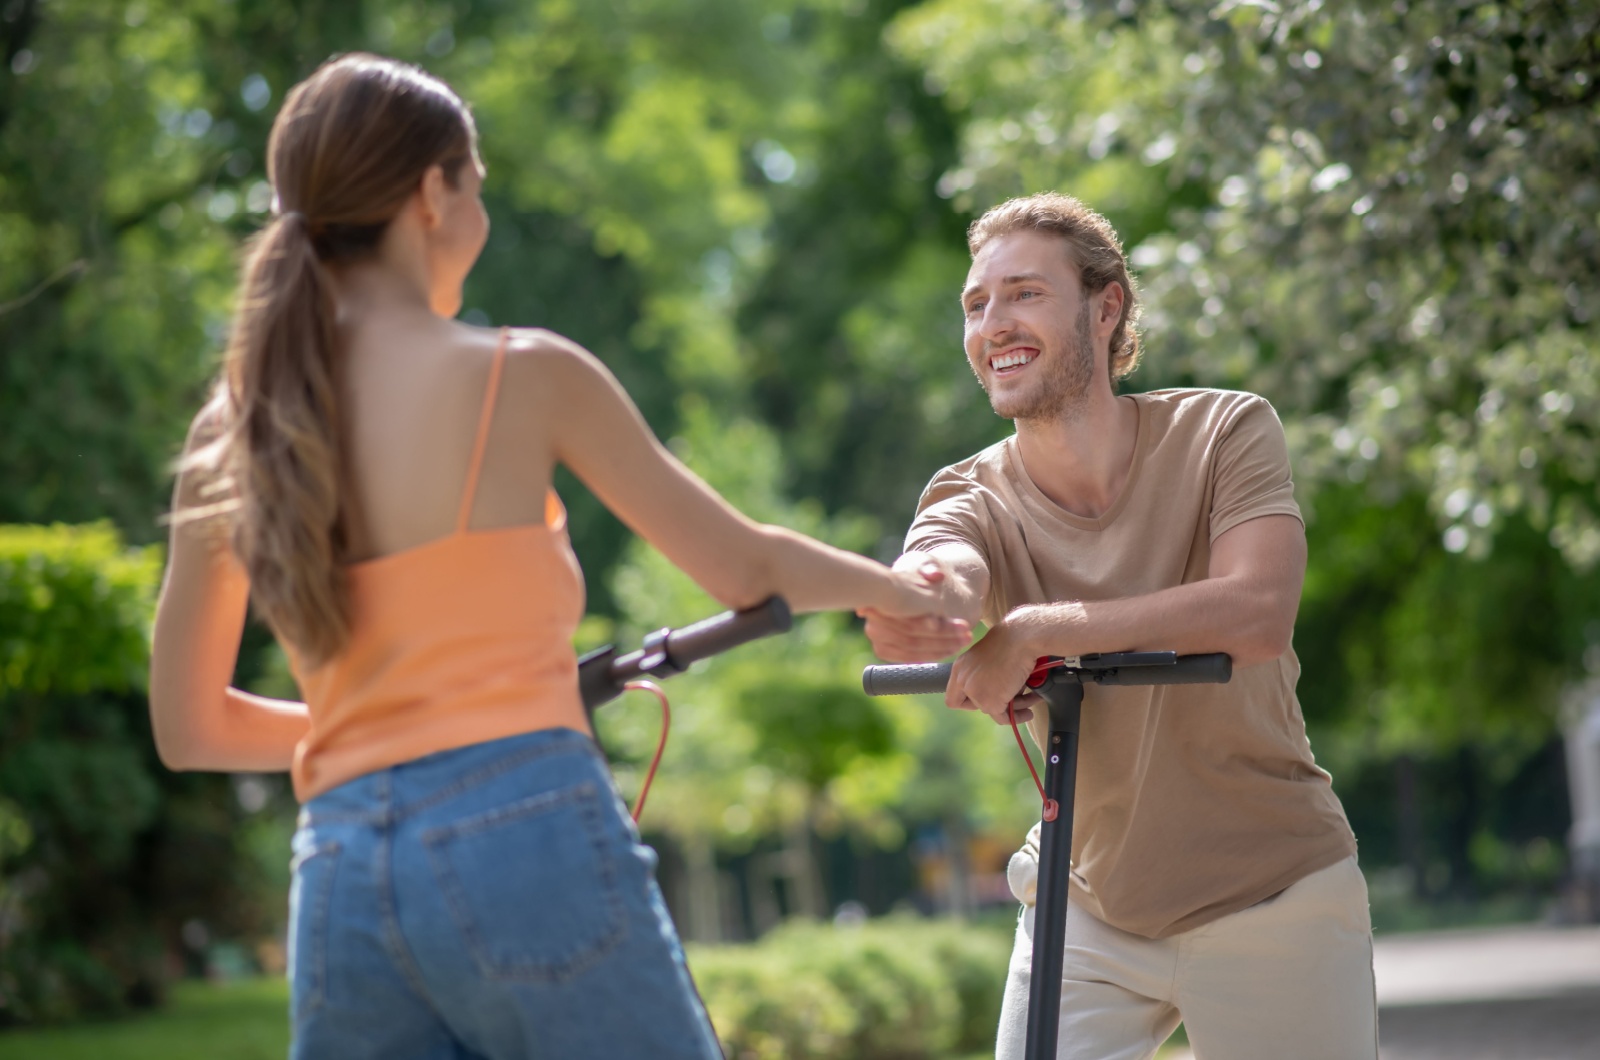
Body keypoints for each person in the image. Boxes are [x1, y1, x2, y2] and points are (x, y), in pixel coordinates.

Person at [148, 53, 959, 1060]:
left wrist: (394, 719)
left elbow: (190, 727)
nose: (480, 218)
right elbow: (747, 568)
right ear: (431, 194)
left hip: (340, 863)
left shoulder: (234, 429)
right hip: (522, 827)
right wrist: (893, 588)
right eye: (476, 189)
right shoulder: (522, 375)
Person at [859, 192, 1377, 1060]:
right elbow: (947, 566)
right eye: (976, 305)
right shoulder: (966, 493)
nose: (993, 323)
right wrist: (926, 601)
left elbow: (1256, 612)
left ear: (1106, 309)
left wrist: (1034, 631)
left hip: (1273, 888)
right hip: (1086, 901)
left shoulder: (1224, 430)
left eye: (1024, 293)